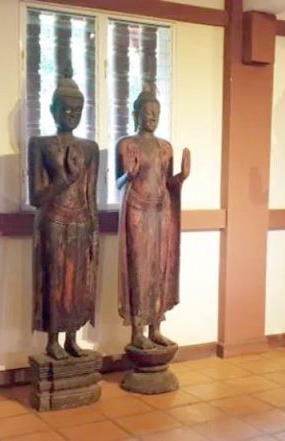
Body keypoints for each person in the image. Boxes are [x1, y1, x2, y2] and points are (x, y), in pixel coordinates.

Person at [28, 70, 99, 360]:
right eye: (66, 109)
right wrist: (63, 179)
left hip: (81, 221)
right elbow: (35, 197)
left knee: (77, 282)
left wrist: (94, 231)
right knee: (55, 281)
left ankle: (72, 338)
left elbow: (90, 196)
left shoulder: (90, 149)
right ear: (52, 110)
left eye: (77, 110)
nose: (71, 115)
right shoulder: (41, 145)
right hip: (53, 221)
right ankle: (52, 340)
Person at [116, 85, 190, 349]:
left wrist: (181, 177)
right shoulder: (127, 145)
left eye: (156, 113)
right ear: (136, 114)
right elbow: (118, 183)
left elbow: (167, 183)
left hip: (161, 212)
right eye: (147, 112)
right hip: (137, 210)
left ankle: (155, 328)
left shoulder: (165, 147)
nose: (152, 117)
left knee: (159, 269)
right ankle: (137, 331)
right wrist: (129, 175)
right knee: (139, 269)